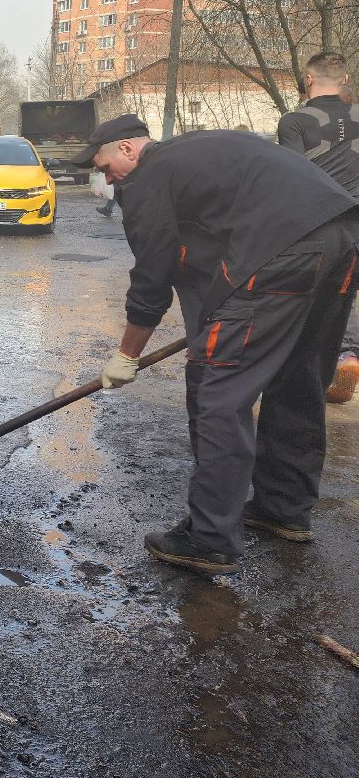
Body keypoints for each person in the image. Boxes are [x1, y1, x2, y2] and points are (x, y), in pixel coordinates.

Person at [75, 113, 359, 576]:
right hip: (344, 240)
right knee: (299, 379)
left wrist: (127, 355)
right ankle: (283, 509)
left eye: (104, 167)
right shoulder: (200, 155)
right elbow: (200, 263)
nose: (106, 179)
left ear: (127, 148)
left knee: (217, 389)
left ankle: (208, 540)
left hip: (282, 249)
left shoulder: (149, 176)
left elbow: (152, 278)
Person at [276, 51, 359, 403]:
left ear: (308, 80)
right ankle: (348, 354)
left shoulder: (294, 121)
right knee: (348, 291)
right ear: (344, 80)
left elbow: (293, 179)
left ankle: (306, 374)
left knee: (311, 297)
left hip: (319, 222)